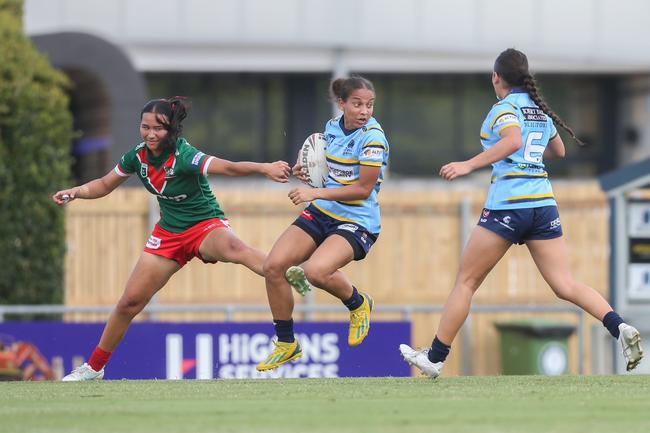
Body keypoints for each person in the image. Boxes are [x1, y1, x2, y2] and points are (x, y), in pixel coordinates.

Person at [400, 48, 643, 377]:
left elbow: (513, 141)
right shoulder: (539, 110)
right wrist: (532, 158)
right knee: (566, 284)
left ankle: (435, 357)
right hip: (543, 205)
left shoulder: (505, 108)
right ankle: (619, 327)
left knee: (467, 282)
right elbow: (557, 149)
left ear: (496, 77)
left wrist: (468, 165)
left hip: (509, 206)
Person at [53, 97, 290, 381]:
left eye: (159, 128)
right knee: (129, 303)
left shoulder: (185, 155)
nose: (151, 134)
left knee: (234, 248)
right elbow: (104, 185)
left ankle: (288, 270)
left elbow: (227, 167)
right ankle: (94, 368)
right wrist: (76, 191)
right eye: (145, 127)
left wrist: (264, 168)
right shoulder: (137, 157)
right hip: (168, 234)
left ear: (172, 130)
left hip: (204, 225)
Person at [256, 76, 390, 371]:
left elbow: (363, 189)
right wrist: (306, 170)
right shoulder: (331, 128)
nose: (364, 111)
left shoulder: (373, 138)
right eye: (357, 104)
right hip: (322, 211)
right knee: (273, 266)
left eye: (369, 105)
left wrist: (315, 191)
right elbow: (325, 167)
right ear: (342, 104)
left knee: (316, 271)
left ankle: (358, 304)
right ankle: (286, 343)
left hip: (357, 219)